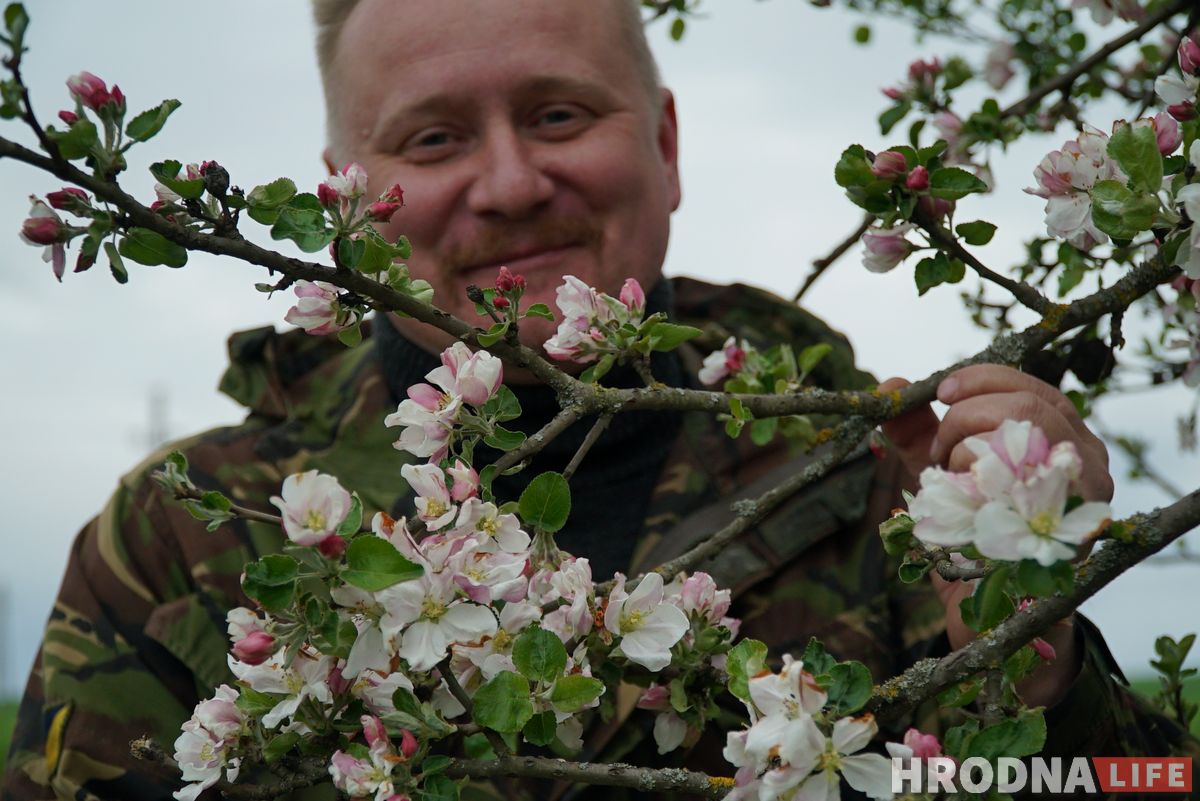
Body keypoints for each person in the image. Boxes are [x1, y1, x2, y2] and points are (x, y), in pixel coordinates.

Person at [4, 1, 1195, 799]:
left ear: (665, 143)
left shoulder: (906, 479)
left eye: (559, 114)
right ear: (346, 201)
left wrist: (1026, 653)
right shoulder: (186, 538)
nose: (512, 184)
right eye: (433, 139)